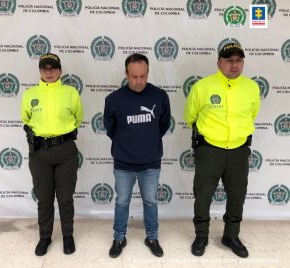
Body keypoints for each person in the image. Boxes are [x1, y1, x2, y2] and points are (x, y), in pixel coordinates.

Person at [184, 42, 260, 258]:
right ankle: (201, 236)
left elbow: (252, 115)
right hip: (210, 151)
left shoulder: (251, 88)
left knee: (237, 195)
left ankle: (231, 235)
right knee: (203, 195)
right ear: (219, 63)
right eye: (229, 60)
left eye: (239, 60)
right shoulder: (203, 87)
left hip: (238, 151)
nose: (234, 65)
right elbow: (191, 116)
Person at [104, 53, 171, 258]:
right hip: (123, 163)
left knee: (150, 201)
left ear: (148, 73)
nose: (139, 81)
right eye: (134, 76)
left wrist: (148, 142)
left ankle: (152, 237)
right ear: (126, 74)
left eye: (143, 76)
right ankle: (118, 238)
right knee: (122, 202)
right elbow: (110, 128)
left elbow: (164, 124)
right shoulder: (113, 99)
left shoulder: (160, 96)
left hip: (151, 163)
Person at [21, 53, 83, 256]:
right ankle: (45, 237)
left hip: (65, 151)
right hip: (39, 153)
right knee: (44, 199)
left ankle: (68, 236)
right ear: (39, 70)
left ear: (60, 70)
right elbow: (26, 119)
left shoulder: (71, 92)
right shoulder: (30, 94)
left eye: (53, 68)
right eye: (45, 68)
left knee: (65, 198)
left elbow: (78, 117)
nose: (49, 72)